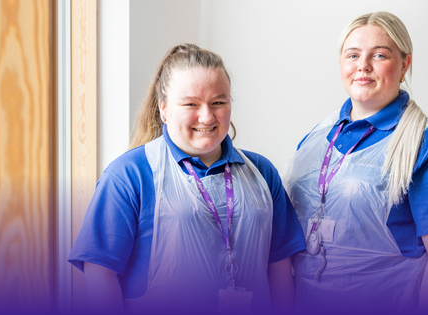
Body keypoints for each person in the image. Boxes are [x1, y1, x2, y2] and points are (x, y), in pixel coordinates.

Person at [69, 43, 305, 314]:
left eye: (218, 102)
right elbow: (100, 272)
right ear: (164, 109)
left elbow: (280, 266)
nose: (206, 116)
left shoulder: (262, 172)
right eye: (191, 104)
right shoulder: (129, 174)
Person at [283, 12, 428, 313]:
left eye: (379, 55)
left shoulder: (427, 144)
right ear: (341, 64)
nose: (363, 65)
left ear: (404, 65)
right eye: (353, 55)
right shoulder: (318, 137)